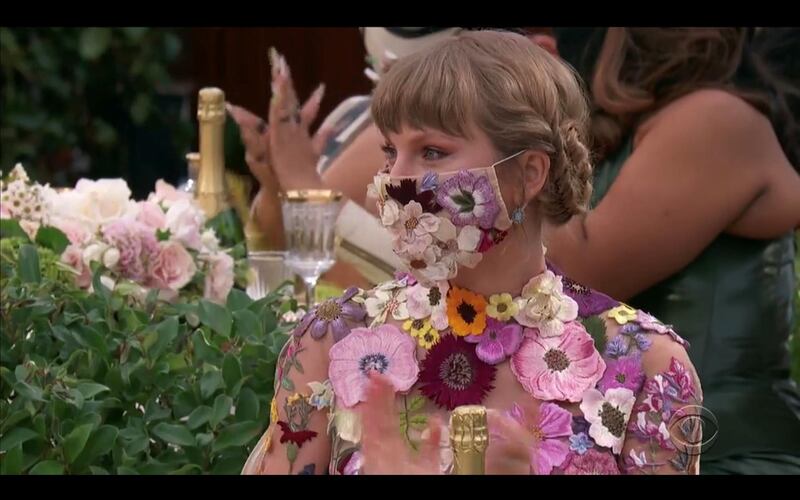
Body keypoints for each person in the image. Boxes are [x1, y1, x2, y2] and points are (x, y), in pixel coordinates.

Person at [241, 30, 703, 475]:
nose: (397, 180)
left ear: (529, 175)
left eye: (433, 152)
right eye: (390, 150)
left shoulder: (644, 363)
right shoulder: (333, 340)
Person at [542, 28, 800, 474]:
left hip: (722, 454)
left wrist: (508, 133)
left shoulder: (714, 120)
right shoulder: (642, 124)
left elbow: (579, 273)